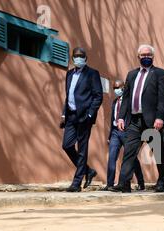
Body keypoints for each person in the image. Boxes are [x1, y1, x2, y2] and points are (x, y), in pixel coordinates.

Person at [117, 44, 164, 193]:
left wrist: (160, 117)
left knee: (159, 153)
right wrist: (121, 117)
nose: (146, 57)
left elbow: (163, 99)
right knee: (129, 151)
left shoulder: (160, 74)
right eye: (143, 55)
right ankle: (124, 183)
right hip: (134, 120)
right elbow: (126, 97)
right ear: (138, 57)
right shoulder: (131, 75)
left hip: (153, 121)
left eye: (149, 55)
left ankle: (162, 181)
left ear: (153, 57)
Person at [60, 47, 103, 192]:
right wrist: (64, 114)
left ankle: (76, 183)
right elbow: (68, 95)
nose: (79, 58)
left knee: (82, 149)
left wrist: (90, 114)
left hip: (84, 117)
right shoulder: (69, 74)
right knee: (66, 145)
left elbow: (98, 96)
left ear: (86, 58)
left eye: (81, 56)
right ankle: (88, 171)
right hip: (71, 115)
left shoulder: (92, 74)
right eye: (76, 56)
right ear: (72, 58)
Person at [102, 80, 144, 192]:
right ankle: (109, 184)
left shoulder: (130, 101)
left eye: (118, 87)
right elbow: (112, 119)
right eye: (114, 88)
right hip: (115, 132)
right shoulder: (115, 102)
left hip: (127, 132)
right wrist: (110, 135)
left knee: (131, 158)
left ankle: (140, 182)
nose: (116, 90)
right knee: (111, 157)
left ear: (124, 87)